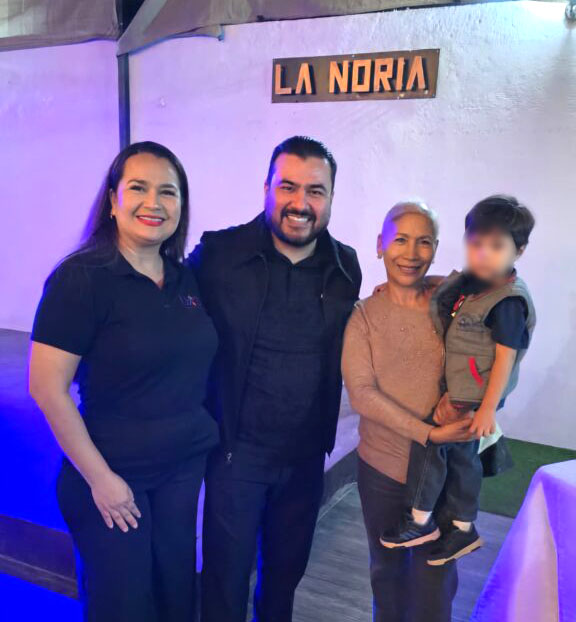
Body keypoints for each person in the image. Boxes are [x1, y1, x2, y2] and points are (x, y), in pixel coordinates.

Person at [29, 142, 219, 622]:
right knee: (125, 607)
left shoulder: (184, 279)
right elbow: (47, 388)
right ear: (113, 200)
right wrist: (101, 480)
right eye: (138, 188)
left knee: (176, 599)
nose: (154, 203)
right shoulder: (81, 279)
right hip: (114, 477)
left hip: (180, 471)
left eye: (168, 192)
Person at [189, 136, 362, 622]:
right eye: (288, 186)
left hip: (306, 457)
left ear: (331, 197)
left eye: (315, 191)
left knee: (284, 579)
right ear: (266, 187)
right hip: (235, 454)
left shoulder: (345, 266)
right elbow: (165, 307)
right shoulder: (219, 254)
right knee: (224, 580)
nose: (300, 203)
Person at [380, 195, 536, 566]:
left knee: (431, 443)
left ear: (519, 251)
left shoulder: (507, 302)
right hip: (464, 391)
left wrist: (487, 410)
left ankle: (420, 521)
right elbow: (448, 286)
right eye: (476, 243)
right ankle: (462, 528)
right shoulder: (478, 283)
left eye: (496, 246)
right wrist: (398, 287)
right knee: (463, 458)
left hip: (473, 396)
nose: (483, 254)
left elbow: (505, 359)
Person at [342, 201, 475, 622]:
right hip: (382, 470)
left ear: (435, 248)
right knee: (388, 575)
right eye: (400, 239)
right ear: (380, 245)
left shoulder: (453, 303)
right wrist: (428, 433)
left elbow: (508, 325)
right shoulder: (364, 316)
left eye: (424, 242)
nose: (412, 253)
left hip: (442, 472)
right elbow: (362, 394)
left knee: (435, 580)